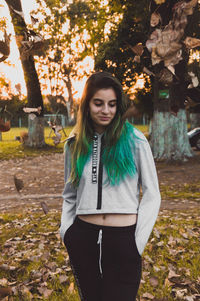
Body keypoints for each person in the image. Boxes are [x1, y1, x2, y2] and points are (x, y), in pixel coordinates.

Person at [60, 71, 161, 301]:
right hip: (83, 238)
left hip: (124, 239)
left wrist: (138, 240)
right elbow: (69, 194)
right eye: (98, 103)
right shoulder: (73, 145)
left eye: (112, 104)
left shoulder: (135, 140)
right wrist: (67, 231)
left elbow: (153, 194)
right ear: (87, 105)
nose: (106, 110)